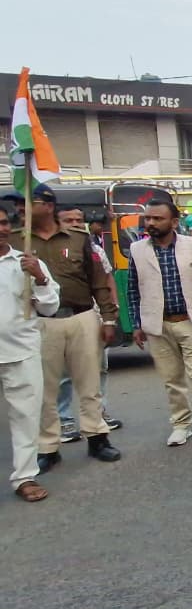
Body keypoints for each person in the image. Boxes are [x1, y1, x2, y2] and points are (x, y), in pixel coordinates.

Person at [11, 184, 123, 473]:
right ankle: (49, 447)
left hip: (81, 317)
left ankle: (97, 438)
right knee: (45, 389)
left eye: (28, 203)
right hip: (39, 323)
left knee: (90, 383)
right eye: (20, 205)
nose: (21, 209)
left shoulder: (78, 239)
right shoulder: (15, 241)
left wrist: (108, 319)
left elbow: (97, 279)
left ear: (48, 206)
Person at [127, 200, 192, 448]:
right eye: (148, 218)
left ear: (173, 222)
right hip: (158, 324)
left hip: (191, 321)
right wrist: (137, 323)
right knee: (171, 379)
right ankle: (180, 425)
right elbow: (132, 289)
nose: (150, 223)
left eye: (157, 219)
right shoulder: (137, 250)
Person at [0, 207, 60, 501]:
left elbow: (50, 307)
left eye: (2, 223)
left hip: (21, 351)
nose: (0, 228)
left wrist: (39, 277)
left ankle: (25, 477)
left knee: (25, 417)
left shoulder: (25, 263)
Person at [53, 206, 123, 442]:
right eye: (68, 219)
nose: (74, 223)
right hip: (58, 318)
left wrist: (111, 313)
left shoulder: (94, 249)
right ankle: (64, 421)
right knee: (62, 375)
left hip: (92, 316)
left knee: (98, 369)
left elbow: (106, 280)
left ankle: (99, 415)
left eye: (78, 219)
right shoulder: (49, 250)